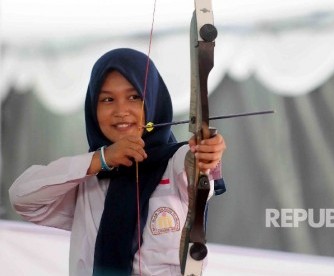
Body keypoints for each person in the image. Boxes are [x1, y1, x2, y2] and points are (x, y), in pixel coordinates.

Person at [9, 48, 226, 276]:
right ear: (93, 109)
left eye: (134, 97)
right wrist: (101, 159)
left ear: (153, 100)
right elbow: (22, 197)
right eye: (107, 99)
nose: (121, 111)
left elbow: (195, 167)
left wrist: (207, 151)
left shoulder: (175, 161)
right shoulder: (87, 179)